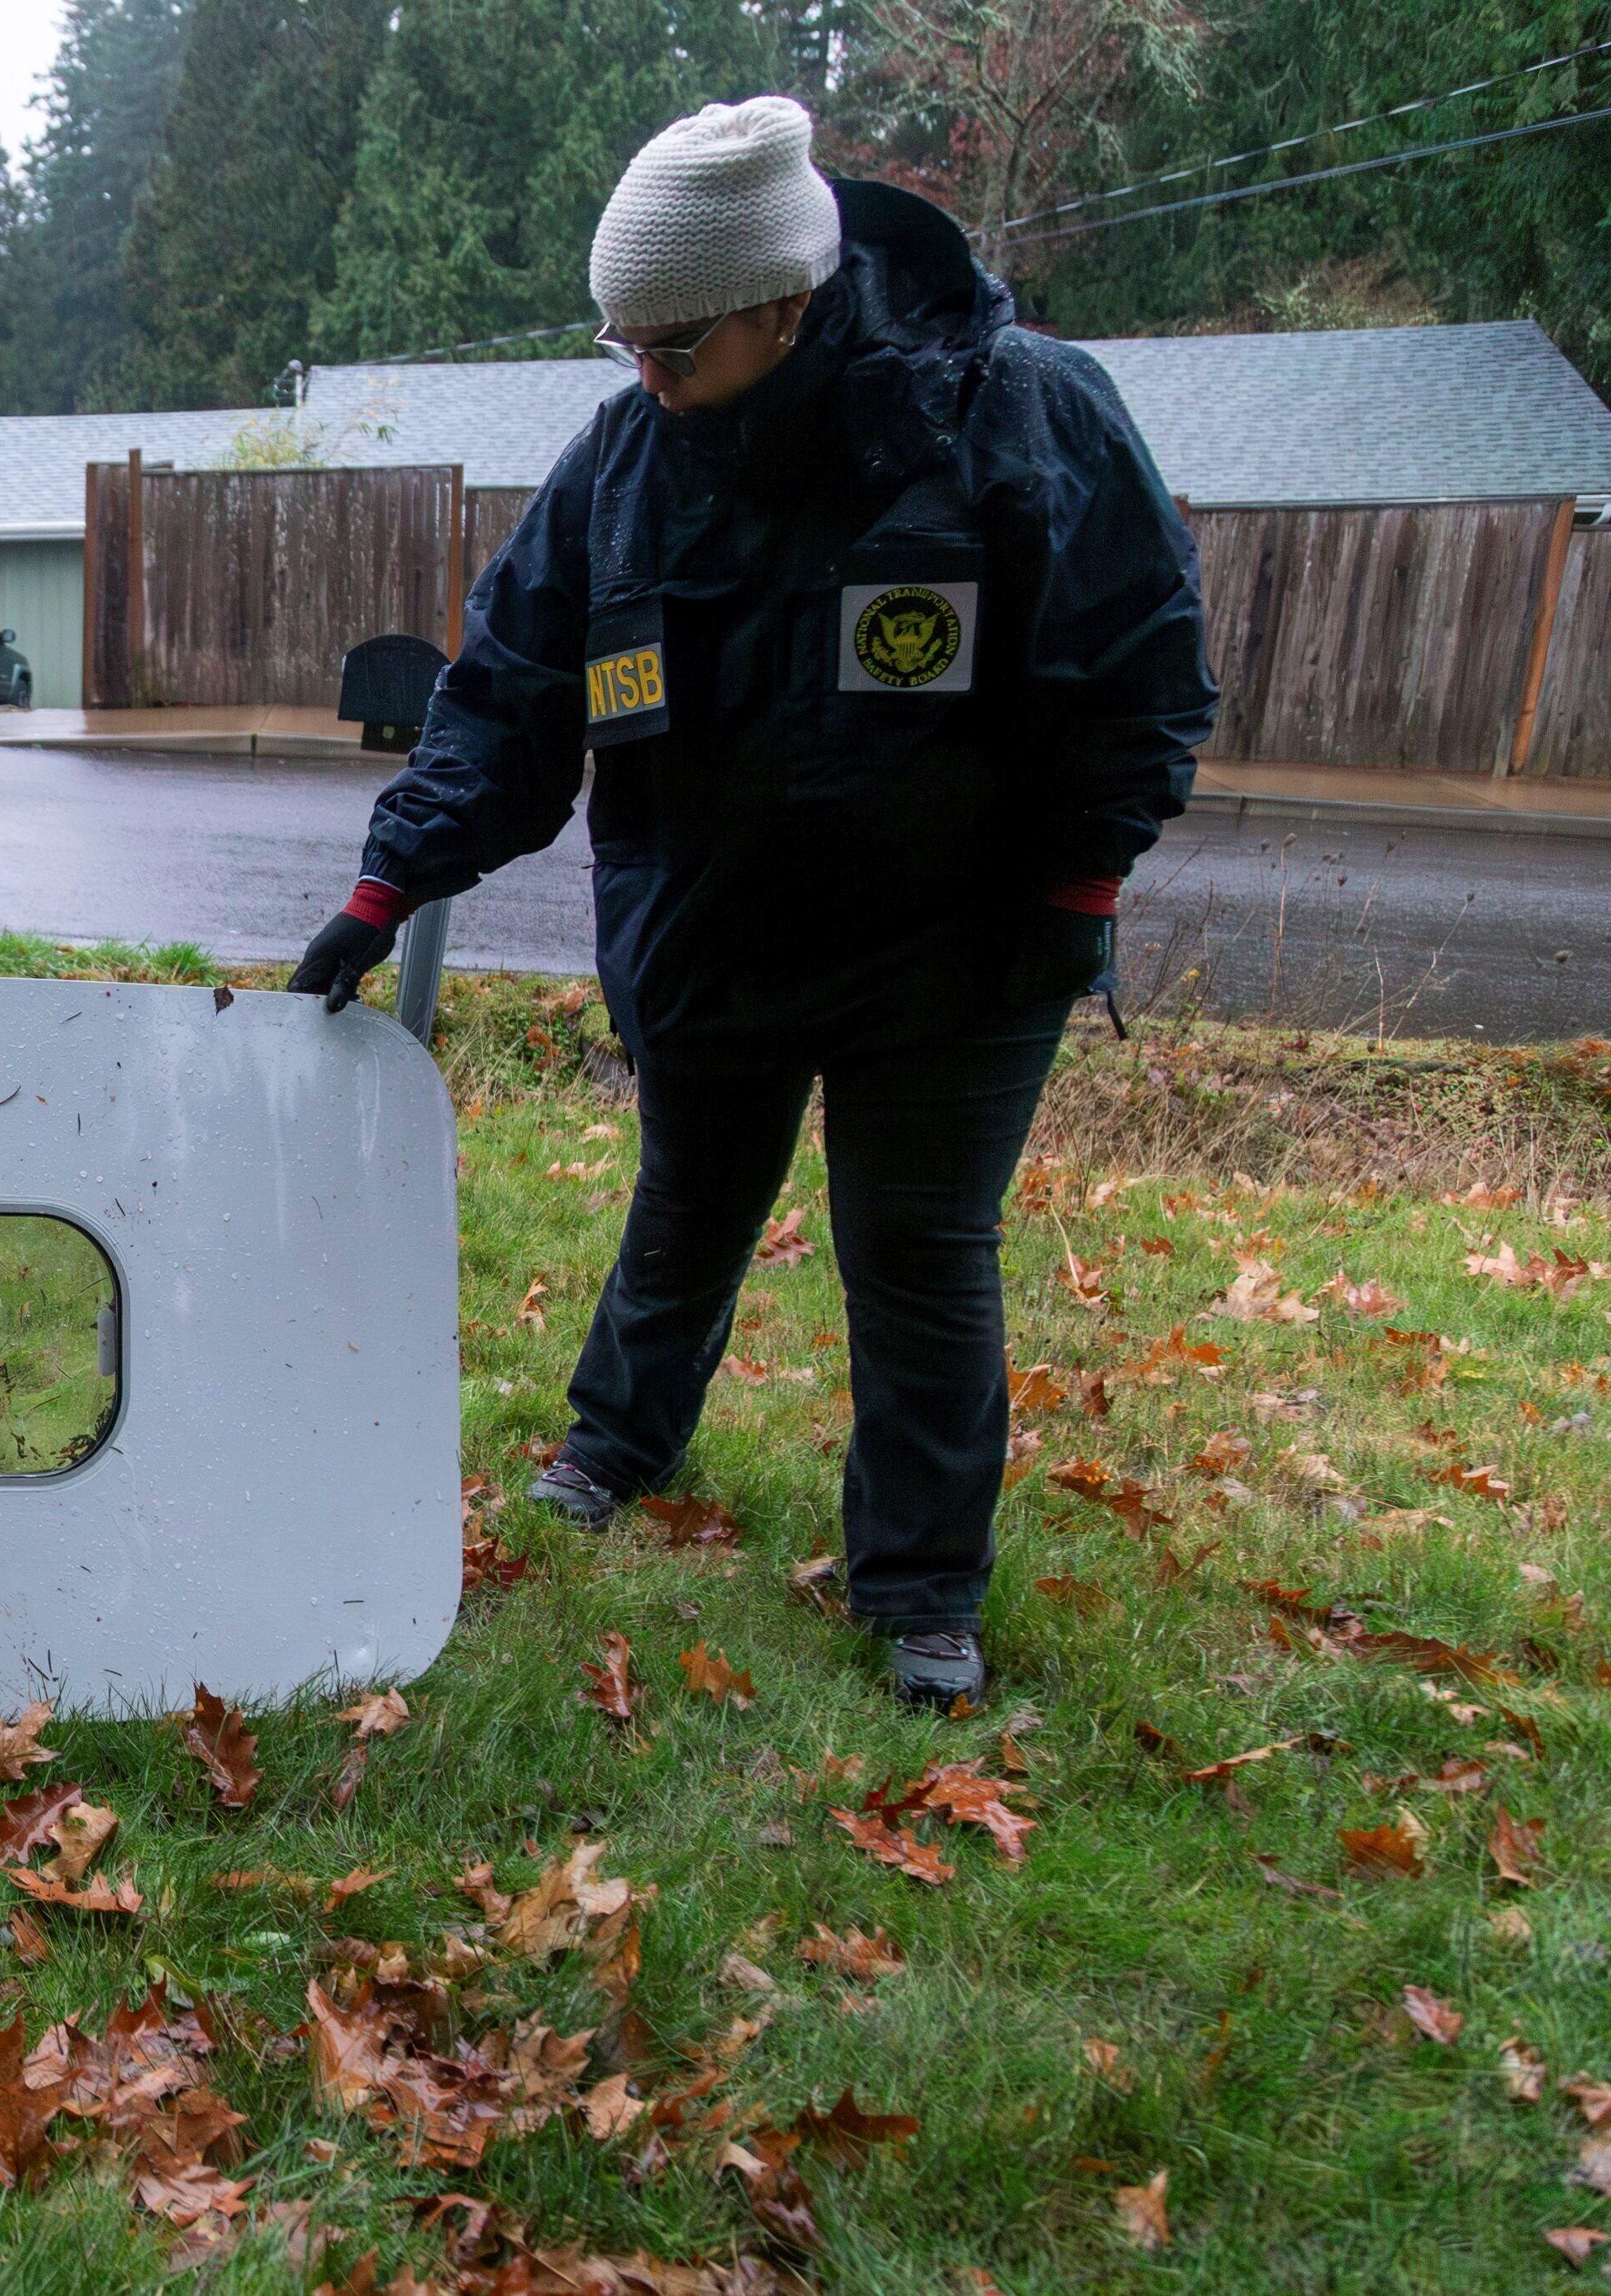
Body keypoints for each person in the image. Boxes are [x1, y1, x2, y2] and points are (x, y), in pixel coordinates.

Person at [291, 98, 1213, 1708]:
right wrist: (392, 880)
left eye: (676, 344)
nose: (642, 378)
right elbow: (511, 688)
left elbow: (1141, 668)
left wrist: (1080, 877)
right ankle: (614, 1447)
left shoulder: (1014, 413)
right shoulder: (624, 463)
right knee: (689, 1202)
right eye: (622, 343)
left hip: (958, 948)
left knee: (919, 1252)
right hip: (711, 927)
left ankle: (922, 1589)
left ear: (786, 304)